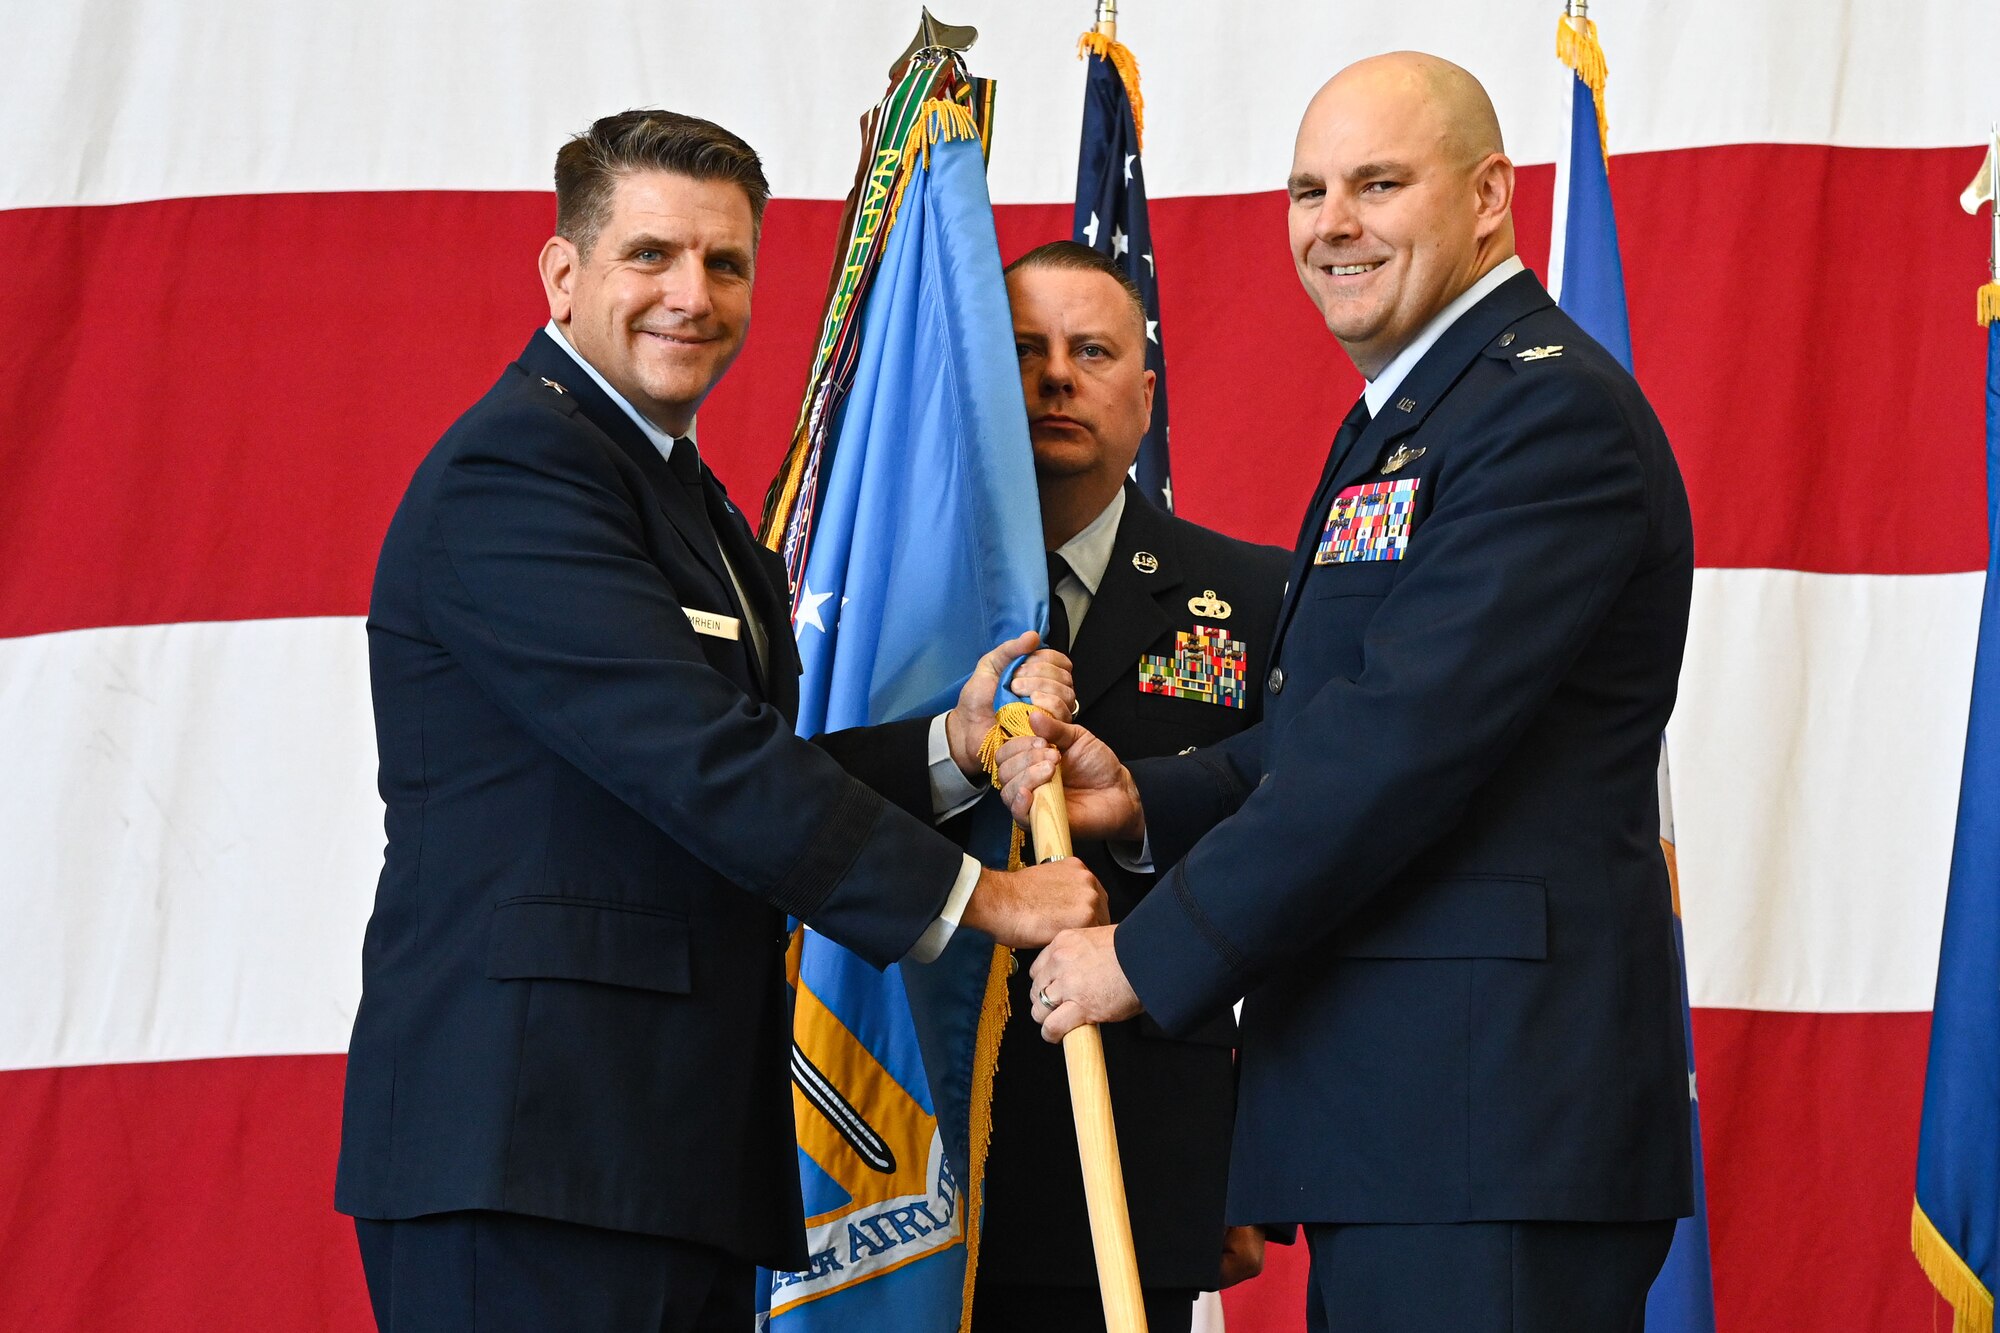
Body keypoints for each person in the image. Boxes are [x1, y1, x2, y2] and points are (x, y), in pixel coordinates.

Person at [333, 109, 1105, 1333]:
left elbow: (743, 756)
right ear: (562, 273)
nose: (691, 294)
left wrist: (948, 751)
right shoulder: (517, 474)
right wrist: (988, 900)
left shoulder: (674, 491)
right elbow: (696, 763)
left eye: (725, 262)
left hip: (652, 1154)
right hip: (534, 1154)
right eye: (651, 255)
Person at [998, 53, 1695, 1332]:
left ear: (1489, 195)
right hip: (1418, 1119)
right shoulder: (1417, 413)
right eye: (1307, 188)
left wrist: (1144, 959)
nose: (1331, 223)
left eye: (1378, 183)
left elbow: (1395, 750)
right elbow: (1329, 726)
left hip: (1492, 1119)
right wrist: (1138, 801)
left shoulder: (1546, 419)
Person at [971, 243, 1287, 1333]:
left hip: (1140, 1134)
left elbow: (1295, 850)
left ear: (1142, 396)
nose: (1056, 376)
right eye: (1023, 349)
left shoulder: (1253, 597)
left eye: (1090, 350)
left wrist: (1254, 1153)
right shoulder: (883, 594)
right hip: (901, 1131)